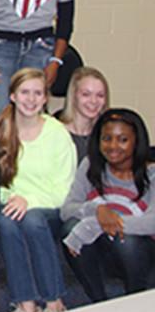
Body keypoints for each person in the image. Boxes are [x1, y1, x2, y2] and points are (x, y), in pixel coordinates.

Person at [0, 68, 76, 312]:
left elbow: (64, 190)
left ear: (45, 99)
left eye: (37, 93)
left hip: (50, 210)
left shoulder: (57, 134)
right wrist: (13, 199)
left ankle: (53, 302)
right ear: (13, 96)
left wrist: (28, 200)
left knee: (31, 220)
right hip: (14, 205)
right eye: (25, 92)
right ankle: (26, 304)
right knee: (7, 221)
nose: (31, 99)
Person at [62, 109, 154, 302]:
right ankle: (99, 301)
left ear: (137, 141)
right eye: (106, 138)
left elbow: (152, 223)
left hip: (142, 257)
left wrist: (95, 223)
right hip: (104, 252)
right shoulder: (90, 165)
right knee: (69, 226)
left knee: (127, 241)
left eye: (123, 140)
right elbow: (67, 209)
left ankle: (135, 301)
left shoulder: (152, 173)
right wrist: (96, 210)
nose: (113, 146)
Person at [59, 67, 111, 164]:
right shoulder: (55, 133)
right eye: (86, 94)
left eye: (100, 95)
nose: (93, 101)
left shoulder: (108, 136)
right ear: (73, 96)